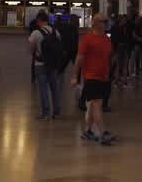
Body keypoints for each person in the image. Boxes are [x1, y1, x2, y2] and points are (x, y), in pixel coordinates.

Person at [74, 15, 116, 145]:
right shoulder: (87, 39)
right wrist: (75, 76)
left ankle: (87, 131)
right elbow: (79, 58)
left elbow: (110, 57)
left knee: (92, 104)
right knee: (97, 103)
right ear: (96, 23)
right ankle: (102, 132)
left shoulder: (107, 39)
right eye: (104, 21)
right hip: (91, 77)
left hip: (104, 76)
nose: (106, 24)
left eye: (106, 21)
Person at [29, 12, 64, 120]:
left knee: (43, 89)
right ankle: (57, 112)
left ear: (39, 20)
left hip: (40, 64)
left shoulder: (36, 33)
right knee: (54, 88)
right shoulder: (55, 32)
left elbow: (31, 49)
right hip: (53, 64)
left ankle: (46, 114)